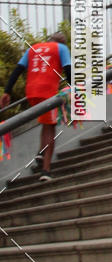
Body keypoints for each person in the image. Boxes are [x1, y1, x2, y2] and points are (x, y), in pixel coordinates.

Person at [1, 32, 71, 181]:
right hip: (48, 92)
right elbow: (68, 69)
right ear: (62, 41)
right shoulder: (61, 48)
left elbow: (18, 70)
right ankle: (46, 170)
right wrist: (74, 89)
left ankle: (41, 152)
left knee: (45, 123)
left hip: (32, 92)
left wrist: (7, 92)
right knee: (50, 127)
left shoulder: (33, 48)